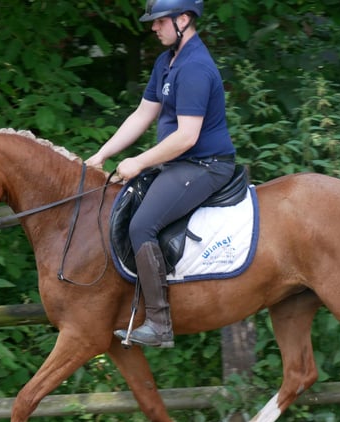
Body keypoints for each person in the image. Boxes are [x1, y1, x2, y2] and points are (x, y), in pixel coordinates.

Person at [86, 0, 236, 348]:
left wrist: (138, 162)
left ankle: (159, 323)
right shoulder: (166, 62)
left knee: (142, 225)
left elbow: (187, 136)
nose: (154, 27)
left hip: (205, 165)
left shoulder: (196, 67)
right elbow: (142, 115)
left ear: (183, 19)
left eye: (160, 21)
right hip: (179, 163)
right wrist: (102, 154)